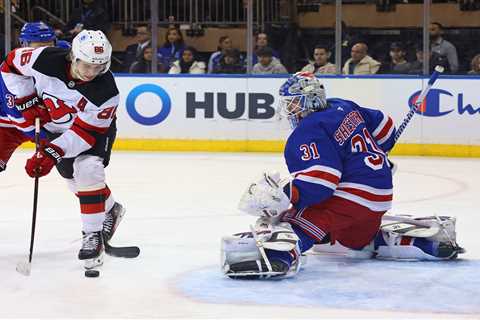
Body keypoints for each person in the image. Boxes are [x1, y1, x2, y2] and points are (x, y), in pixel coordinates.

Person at [221, 72, 464, 279]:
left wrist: (286, 194)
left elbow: (321, 184)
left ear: (309, 101)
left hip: (351, 197)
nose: (289, 110)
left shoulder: (308, 131)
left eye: (293, 103)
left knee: (294, 221)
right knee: (352, 242)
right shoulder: (343, 106)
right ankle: (414, 242)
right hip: (380, 197)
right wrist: (378, 151)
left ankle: (278, 256)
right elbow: (385, 127)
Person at [1, 30, 126, 269]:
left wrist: (51, 152)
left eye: (98, 68)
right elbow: (10, 65)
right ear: (73, 57)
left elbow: (84, 133)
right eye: (86, 65)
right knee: (72, 179)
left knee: (86, 168)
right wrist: (24, 99)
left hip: (90, 131)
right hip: (54, 126)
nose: (91, 73)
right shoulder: (44, 59)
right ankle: (111, 209)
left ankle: (92, 235)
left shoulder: (106, 92)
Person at [0, 21, 58, 174]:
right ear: (24, 45)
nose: (45, 51)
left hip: (43, 121)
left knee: (76, 164)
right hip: (7, 125)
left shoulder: (64, 55)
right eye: (39, 46)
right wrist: (45, 143)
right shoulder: (11, 70)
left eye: (49, 45)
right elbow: (17, 117)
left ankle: (97, 198)